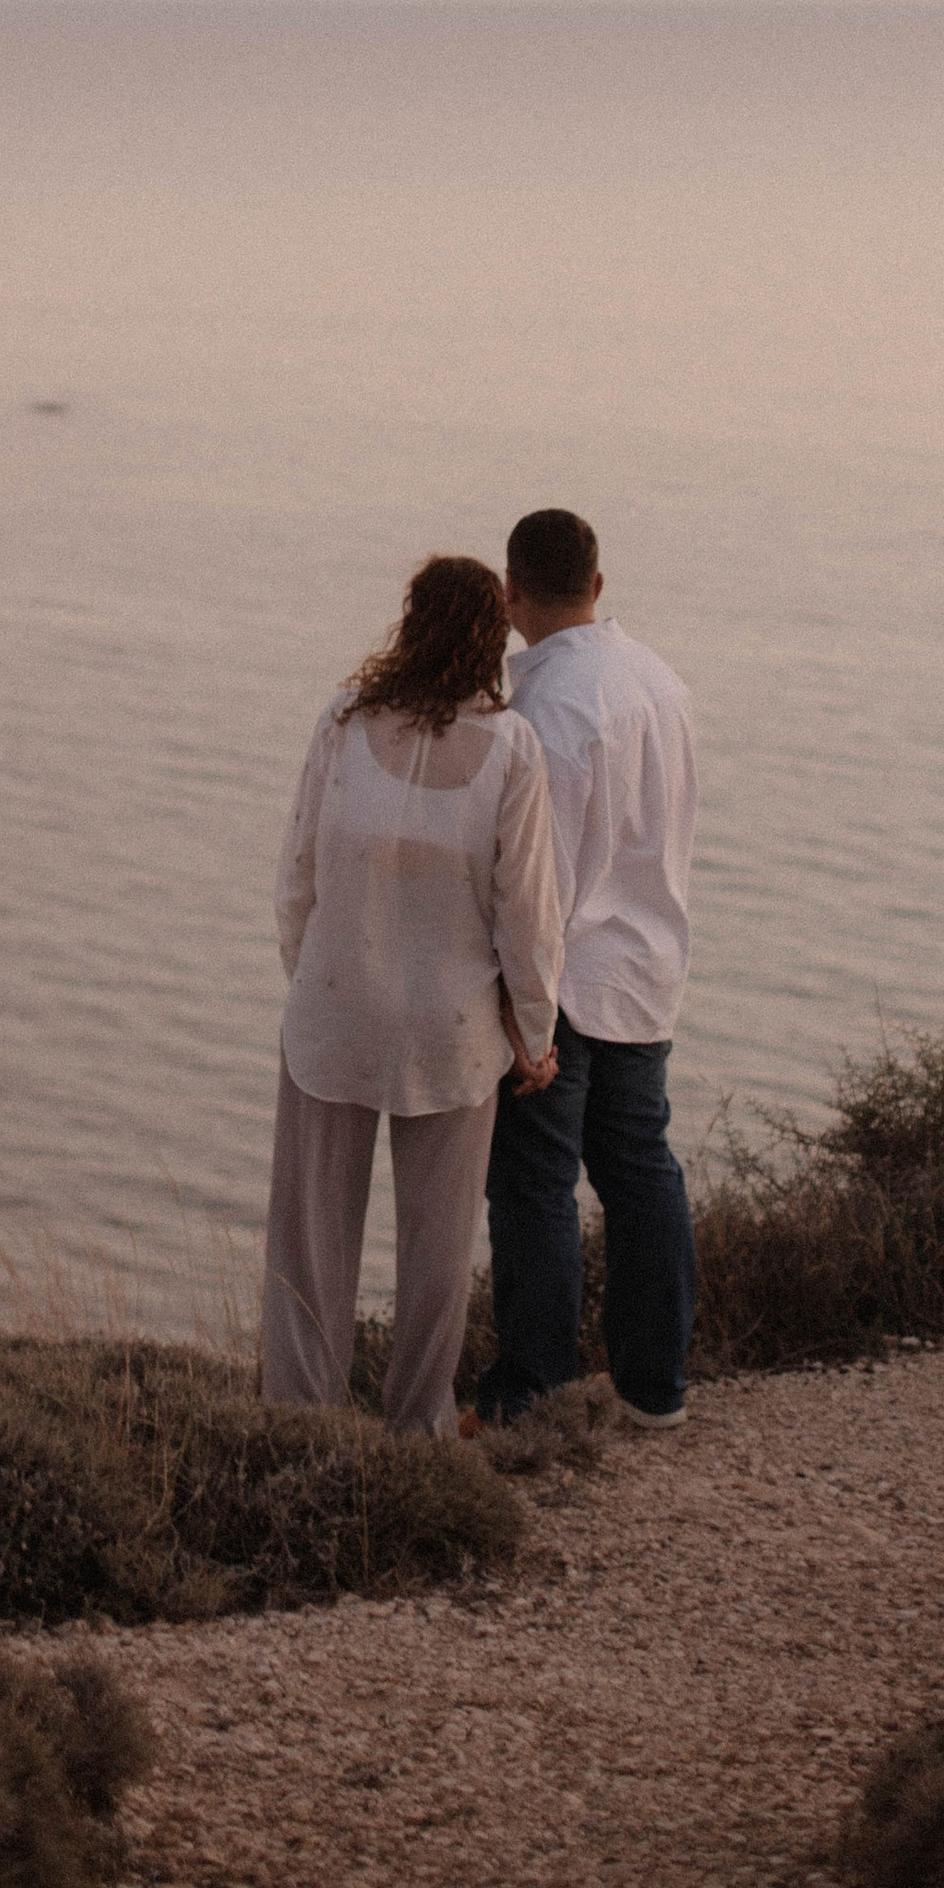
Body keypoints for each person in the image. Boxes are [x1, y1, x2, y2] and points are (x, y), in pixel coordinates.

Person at [263, 554, 563, 1441]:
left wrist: (317, 982)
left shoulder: (343, 721)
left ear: (409, 622)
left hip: (334, 1016)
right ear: (492, 638)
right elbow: (529, 916)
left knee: (309, 1247)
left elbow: (295, 881)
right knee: (437, 1256)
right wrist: (536, 1035)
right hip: (453, 1032)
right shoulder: (514, 750)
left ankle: (298, 1433)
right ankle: (419, 1435)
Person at [474, 508, 701, 1433]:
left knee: (534, 1187)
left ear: (510, 592)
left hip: (564, 985)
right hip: (647, 968)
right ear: (598, 584)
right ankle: (656, 1387)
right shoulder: (661, 680)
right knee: (641, 1171)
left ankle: (532, 1393)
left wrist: (519, 1016)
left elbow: (541, 885)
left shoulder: (545, 710)